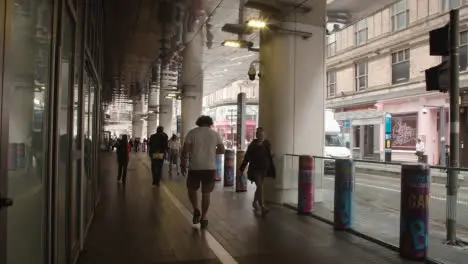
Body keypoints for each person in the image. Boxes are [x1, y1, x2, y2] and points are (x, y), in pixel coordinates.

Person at [181, 116, 225, 228]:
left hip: (195, 166)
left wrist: (183, 164)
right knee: (206, 193)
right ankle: (204, 217)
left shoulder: (192, 133)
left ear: (198, 123)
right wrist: (211, 150)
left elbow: (185, 150)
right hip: (209, 168)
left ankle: (196, 209)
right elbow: (222, 150)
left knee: (191, 189)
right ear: (210, 123)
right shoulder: (215, 134)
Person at [240, 127, 275, 215]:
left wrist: (271, 153)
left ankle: (254, 202)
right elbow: (246, 157)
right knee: (260, 186)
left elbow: (270, 155)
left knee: (260, 186)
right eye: (259, 134)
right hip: (255, 169)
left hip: (264, 169)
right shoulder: (252, 146)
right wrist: (241, 169)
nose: (261, 136)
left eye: (262, 134)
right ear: (256, 135)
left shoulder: (266, 144)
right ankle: (262, 206)